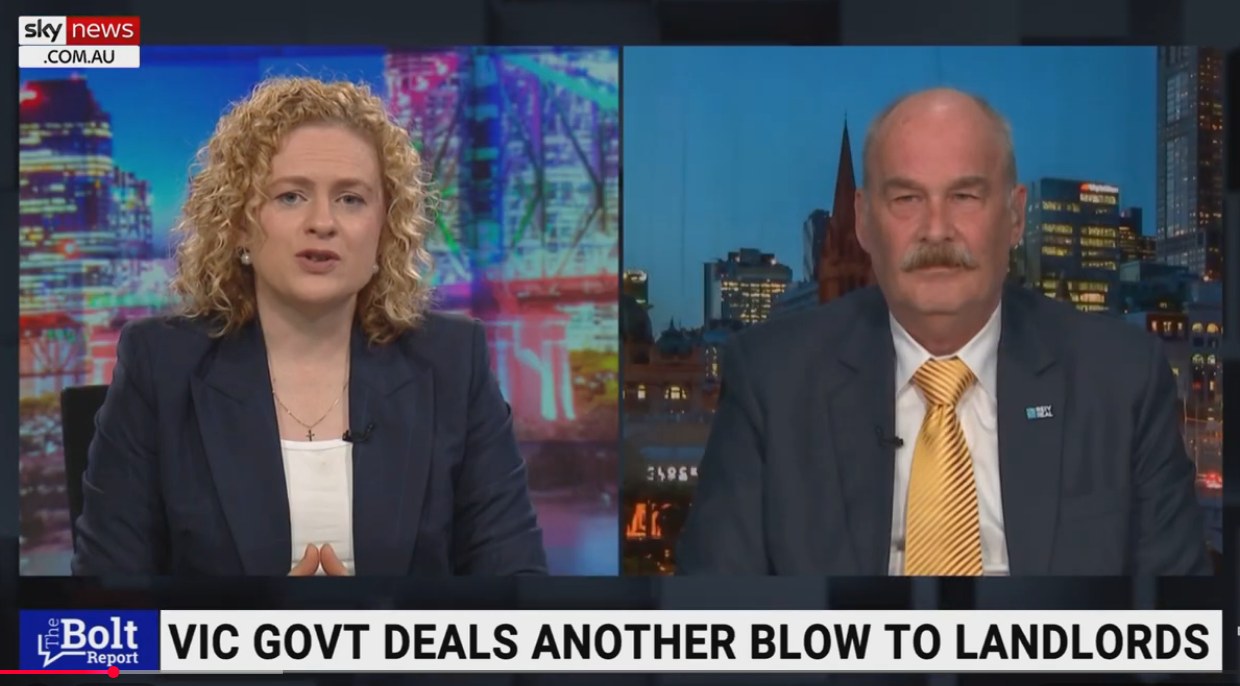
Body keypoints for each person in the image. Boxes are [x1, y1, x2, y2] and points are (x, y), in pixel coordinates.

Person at [676, 88, 1210, 576]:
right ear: (863, 223)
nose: (936, 229)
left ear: (1016, 216)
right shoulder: (771, 380)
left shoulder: (1121, 380)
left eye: (965, 197)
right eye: (907, 198)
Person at [72, 77, 548, 576]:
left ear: (384, 231)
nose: (323, 222)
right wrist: (257, 642)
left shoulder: (453, 362)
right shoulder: (159, 368)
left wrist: (377, 639)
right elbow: (101, 621)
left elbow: (517, 600)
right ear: (238, 223)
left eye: (351, 199)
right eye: (291, 196)